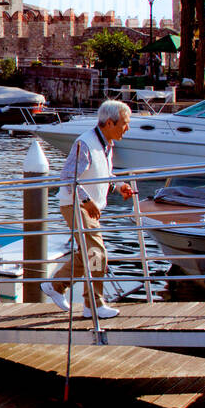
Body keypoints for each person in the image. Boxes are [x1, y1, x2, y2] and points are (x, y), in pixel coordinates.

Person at [46, 99, 135, 319]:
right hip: (75, 205)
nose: (128, 128)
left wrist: (117, 185)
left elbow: (101, 175)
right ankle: (93, 304)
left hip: (85, 206)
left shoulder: (106, 144)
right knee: (98, 253)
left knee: (88, 252)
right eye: (125, 123)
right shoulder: (84, 143)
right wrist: (86, 201)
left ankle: (56, 286)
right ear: (110, 123)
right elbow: (68, 177)